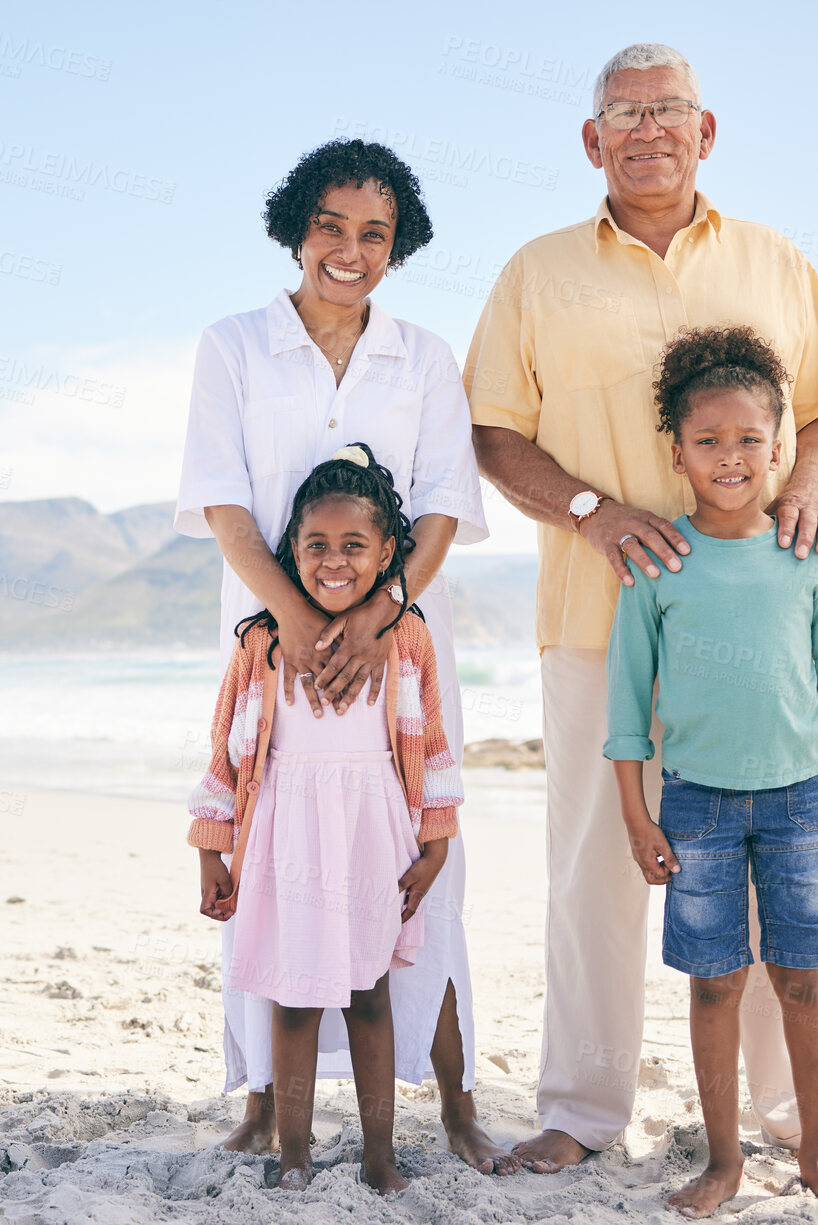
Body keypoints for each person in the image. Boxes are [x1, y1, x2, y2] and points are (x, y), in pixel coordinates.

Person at [464, 43, 818, 1178]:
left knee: (776, 873)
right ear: (591, 140)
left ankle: (800, 1118)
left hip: (761, 641)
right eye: (624, 112)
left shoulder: (777, 263)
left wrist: (811, 483)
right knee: (597, 866)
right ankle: (582, 1107)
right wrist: (593, 511)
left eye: (670, 110)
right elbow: (496, 434)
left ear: (707, 132)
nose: (648, 128)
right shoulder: (536, 272)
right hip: (599, 617)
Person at [176, 139, 516, 1173]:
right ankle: (258, 1099)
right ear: (296, 226)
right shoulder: (234, 347)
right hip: (271, 650)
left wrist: (377, 617)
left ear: (397, 245)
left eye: (375, 233)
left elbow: (448, 500)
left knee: (414, 867)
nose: (350, 249)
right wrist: (296, 624)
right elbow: (225, 506)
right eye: (331, 225)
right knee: (277, 860)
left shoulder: (421, 355)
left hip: (401, 648)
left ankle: (453, 1096)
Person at [605, 326, 818, 1218]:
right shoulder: (658, 564)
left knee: (804, 978)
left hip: (801, 800)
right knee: (715, 981)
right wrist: (639, 818)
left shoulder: (808, 556)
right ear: (676, 452)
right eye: (709, 440)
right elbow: (625, 713)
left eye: (751, 439)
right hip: (696, 805)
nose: (732, 456)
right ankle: (723, 1160)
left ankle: (812, 1151)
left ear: (780, 445)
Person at [188, 444, 462, 1193]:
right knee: (296, 997)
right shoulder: (263, 643)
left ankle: (380, 1152)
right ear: (290, 551)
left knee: (371, 994)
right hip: (286, 836)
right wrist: (212, 848)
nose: (334, 561)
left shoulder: (404, 639)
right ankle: (296, 1151)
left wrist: (436, 843)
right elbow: (228, 755)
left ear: (386, 554)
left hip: (373, 835)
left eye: (354, 546)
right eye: (316, 545)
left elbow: (431, 748)